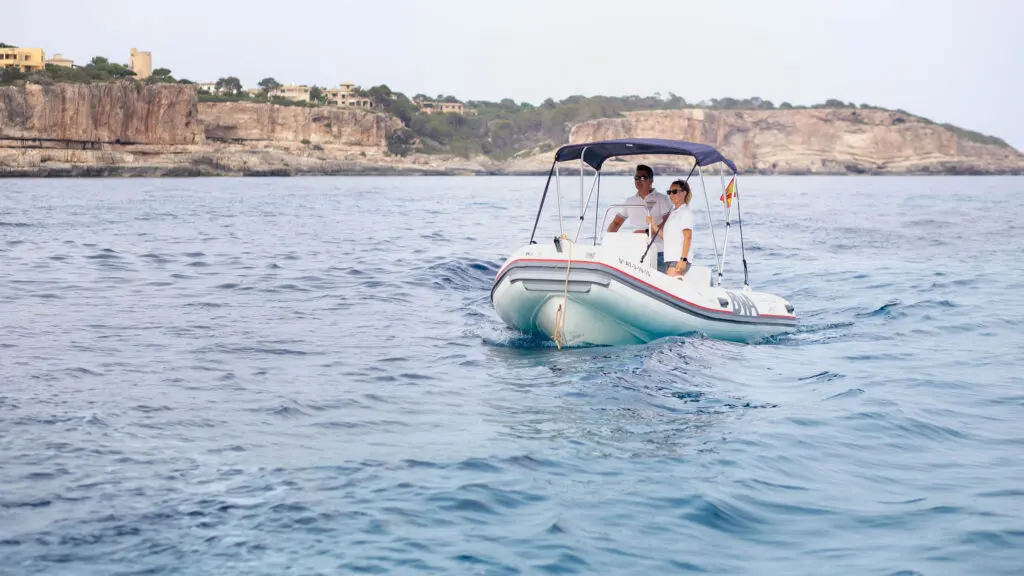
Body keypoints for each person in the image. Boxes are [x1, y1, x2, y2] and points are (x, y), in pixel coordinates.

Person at [606, 164, 673, 272]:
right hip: (636, 251)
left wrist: (646, 232)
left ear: (651, 181)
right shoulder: (629, 201)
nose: (638, 180)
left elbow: (667, 224)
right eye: (636, 178)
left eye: (643, 178)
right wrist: (608, 241)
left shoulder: (663, 199)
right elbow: (616, 224)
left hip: (660, 251)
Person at [652, 179, 695, 278]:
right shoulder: (673, 213)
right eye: (669, 192)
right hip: (669, 258)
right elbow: (665, 237)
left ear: (684, 193)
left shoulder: (685, 213)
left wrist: (683, 260)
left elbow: (688, 237)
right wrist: (652, 223)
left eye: (674, 192)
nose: (671, 195)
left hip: (678, 259)